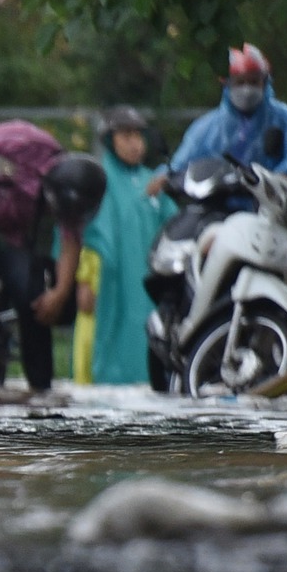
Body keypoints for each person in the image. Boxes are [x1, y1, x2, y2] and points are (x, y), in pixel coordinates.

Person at [0, 119, 105, 391]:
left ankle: (40, 387)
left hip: (2, 242)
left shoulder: (72, 200)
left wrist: (59, 293)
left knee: (31, 290)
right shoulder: (28, 141)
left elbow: (70, 243)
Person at [78, 106, 175, 385]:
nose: (134, 143)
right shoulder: (98, 179)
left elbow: (173, 225)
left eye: (138, 135)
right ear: (110, 140)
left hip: (147, 280)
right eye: (126, 135)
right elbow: (81, 234)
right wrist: (83, 279)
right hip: (108, 281)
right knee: (109, 333)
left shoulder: (152, 183)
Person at [166, 43, 287, 190]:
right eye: (240, 82)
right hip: (218, 205)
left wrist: (282, 176)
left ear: (265, 83)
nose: (247, 89)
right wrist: (165, 176)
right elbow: (182, 163)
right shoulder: (207, 127)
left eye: (253, 82)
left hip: (273, 205)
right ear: (227, 84)